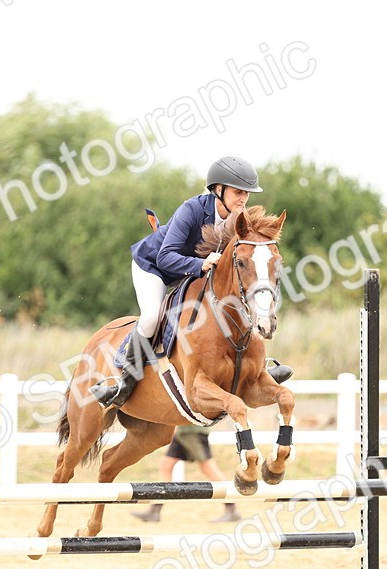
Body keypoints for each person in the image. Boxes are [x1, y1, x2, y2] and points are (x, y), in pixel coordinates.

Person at [90, 156, 293, 408]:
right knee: (152, 316)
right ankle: (123, 380)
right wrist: (200, 265)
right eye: (238, 192)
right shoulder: (192, 209)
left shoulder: (240, 220)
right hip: (154, 266)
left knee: (233, 302)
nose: (243, 199)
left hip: (190, 273)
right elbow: (165, 257)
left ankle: (253, 371)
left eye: (247, 194)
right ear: (218, 190)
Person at [131, 426, 242, 523]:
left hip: (192, 431)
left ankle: (231, 509)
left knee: (208, 468)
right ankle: (155, 511)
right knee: (166, 465)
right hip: (181, 431)